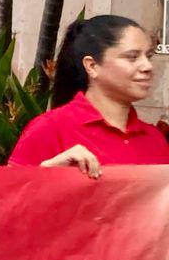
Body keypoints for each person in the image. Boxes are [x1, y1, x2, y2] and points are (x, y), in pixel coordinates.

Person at [9, 15, 169, 176]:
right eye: (132, 57)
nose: (147, 66)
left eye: (149, 56)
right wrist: (46, 175)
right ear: (92, 66)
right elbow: (9, 189)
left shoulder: (155, 140)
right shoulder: (49, 129)